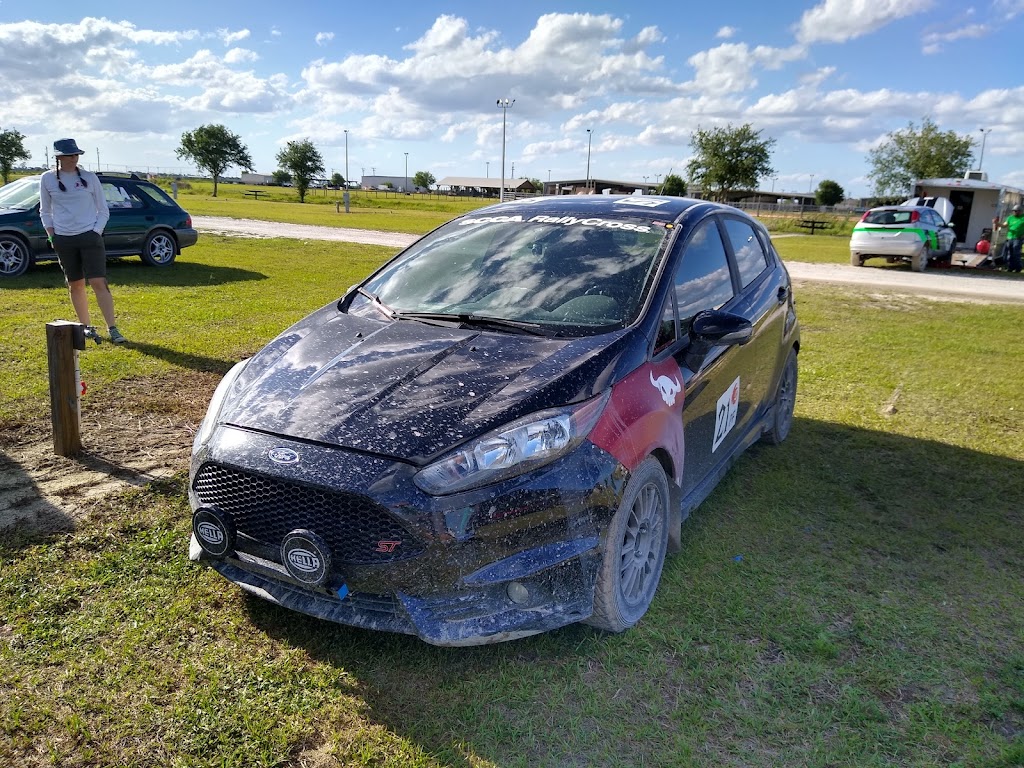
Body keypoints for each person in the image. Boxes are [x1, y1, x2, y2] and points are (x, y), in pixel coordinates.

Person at [39, 138, 126, 344]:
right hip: (63, 238)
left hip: (89, 236)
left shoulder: (89, 177)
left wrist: (95, 232)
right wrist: (52, 235)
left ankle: (112, 328)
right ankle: (86, 327)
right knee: (75, 284)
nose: (74, 158)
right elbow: (45, 211)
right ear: (59, 157)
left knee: (98, 281)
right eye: (69, 155)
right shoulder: (47, 179)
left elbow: (103, 210)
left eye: (76, 154)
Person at [993, 203, 1024, 273]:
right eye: (1014, 211)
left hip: (1018, 238)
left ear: (1020, 211)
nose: (1014, 212)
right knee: (1009, 253)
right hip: (1010, 237)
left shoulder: (1023, 218)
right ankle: (1010, 267)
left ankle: (1018, 267)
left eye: (1016, 211)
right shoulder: (1010, 218)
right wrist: (996, 223)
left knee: (1016, 253)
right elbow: (1004, 225)